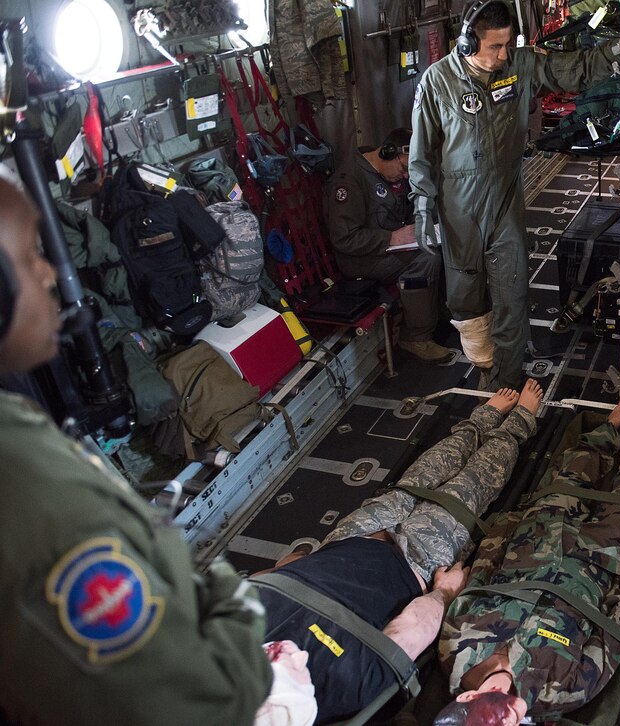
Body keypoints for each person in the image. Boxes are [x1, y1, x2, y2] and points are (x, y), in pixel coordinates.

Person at [0, 180, 273, 723]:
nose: (51, 275)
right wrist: (227, 593)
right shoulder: (33, 494)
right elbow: (209, 702)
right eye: (32, 256)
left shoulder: (21, 427)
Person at [255, 381, 543, 724]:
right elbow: (411, 629)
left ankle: (486, 416)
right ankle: (519, 419)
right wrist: (446, 592)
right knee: (473, 481)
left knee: (426, 471)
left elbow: (277, 572)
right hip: (412, 563)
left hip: (353, 537)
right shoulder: (344, 688)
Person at [410, 0, 620, 390]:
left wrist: (616, 52)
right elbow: (422, 151)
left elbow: (572, 69)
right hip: (458, 209)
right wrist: (423, 205)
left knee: (512, 298)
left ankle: (505, 387)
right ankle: (484, 368)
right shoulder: (437, 81)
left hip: (506, 199)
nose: (503, 54)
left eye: (507, 44)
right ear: (466, 45)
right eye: (494, 47)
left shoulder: (519, 65)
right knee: (466, 303)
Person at [435, 396, 620, 720]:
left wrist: (499, 535)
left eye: (494, 712)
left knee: (567, 475)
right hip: (597, 563)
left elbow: (478, 583)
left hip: (532, 545)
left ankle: (610, 427)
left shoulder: (455, 649)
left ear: (469, 696)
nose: (509, 712)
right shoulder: (564, 690)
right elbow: (615, 632)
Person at [324, 127, 453, 362]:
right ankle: (415, 337)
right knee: (426, 258)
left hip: (392, 246)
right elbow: (344, 239)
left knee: (442, 240)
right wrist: (391, 239)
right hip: (361, 259)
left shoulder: (385, 173)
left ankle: (441, 314)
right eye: (403, 169)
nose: (405, 176)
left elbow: (406, 206)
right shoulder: (350, 182)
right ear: (386, 152)